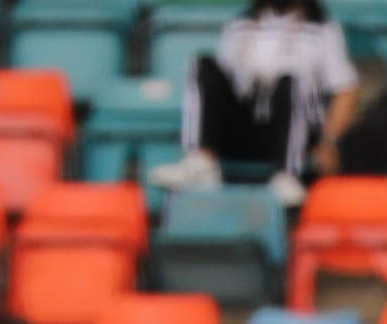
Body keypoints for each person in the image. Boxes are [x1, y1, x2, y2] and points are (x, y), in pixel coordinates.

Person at [152, 0, 360, 208]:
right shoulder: (240, 25)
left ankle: (288, 174)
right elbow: (223, 85)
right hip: (246, 128)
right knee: (203, 64)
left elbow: (345, 90)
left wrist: (329, 142)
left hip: (298, 130)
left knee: (292, 79)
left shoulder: (323, 29)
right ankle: (201, 161)